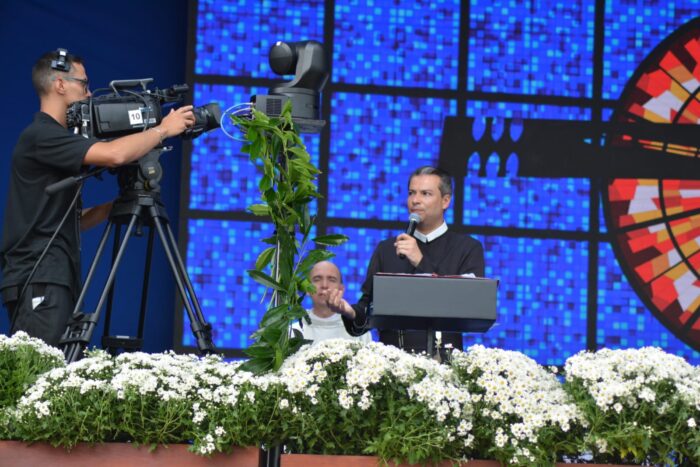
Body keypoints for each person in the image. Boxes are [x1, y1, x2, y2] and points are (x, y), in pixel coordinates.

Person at [0, 49, 195, 346]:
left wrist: (116, 205)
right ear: (60, 84)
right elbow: (114, 154)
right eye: (84, 84)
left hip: (53, 276)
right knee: (44, 368)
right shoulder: (41, 135)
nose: (89, 94)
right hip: (40, 276)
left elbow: (70, 220)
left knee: (59, 366)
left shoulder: (55, 139)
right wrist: (163, 130)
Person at [327, 166, 485, 353]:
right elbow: (369, 309)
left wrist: (421, 262)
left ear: (445, 201)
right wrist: (350, 312)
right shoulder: (387, 249)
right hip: (391, 362)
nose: (415, 200)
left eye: (425, 194)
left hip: (443, 361)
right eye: (411, 193)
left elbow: (468, 306)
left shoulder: (467, 248)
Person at [291, 261, 372, 345]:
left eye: (331, 280)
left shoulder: (360, 331)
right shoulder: (292, 332)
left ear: (341, 289)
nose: (324, 285)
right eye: (317, 279)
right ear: (307, 289)